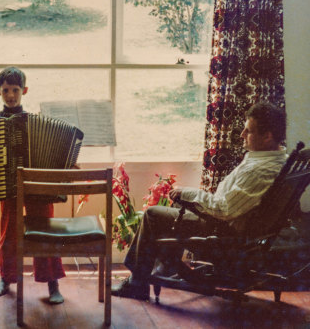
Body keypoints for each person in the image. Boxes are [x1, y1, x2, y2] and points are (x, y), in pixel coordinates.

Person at [111, 102, 288, 300]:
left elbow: (224, 209)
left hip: (222, 230)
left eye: (249, 131)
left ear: (267, 136)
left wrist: (190, 193)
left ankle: (138, 282)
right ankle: (166, 265)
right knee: (176, 206)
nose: (242, 135)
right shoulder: (276, 160)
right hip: (233, 226)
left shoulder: (260, 170)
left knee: (153, 215)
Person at [0, 66, 66, 304]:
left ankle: (53, 284)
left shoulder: (36, 121)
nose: (11, 95)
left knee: (45, 231)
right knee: (9, 232)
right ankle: (6, 278)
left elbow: (54, 149)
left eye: (15, 90)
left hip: (37, 187)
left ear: (25, 91)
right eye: (6, 90)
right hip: (8, 186)